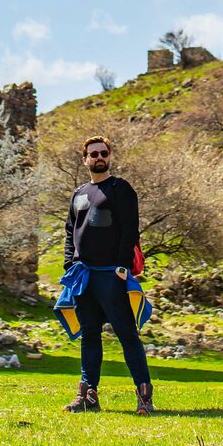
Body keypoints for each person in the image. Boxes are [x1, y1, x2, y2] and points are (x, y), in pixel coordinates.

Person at [59, 134, 153, 415]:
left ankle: (144, 397)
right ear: (85, 159)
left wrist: (122, 267)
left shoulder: (120, 189)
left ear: (109, 156)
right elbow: (69, 232)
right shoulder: (79, 194)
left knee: (127, 334)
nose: (99, 158)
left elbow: (130, 230)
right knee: (89, 335)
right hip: (83, 276)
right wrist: (69, 265)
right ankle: (88, 397)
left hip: (111, 275)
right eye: (93, 154)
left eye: (103, 153)